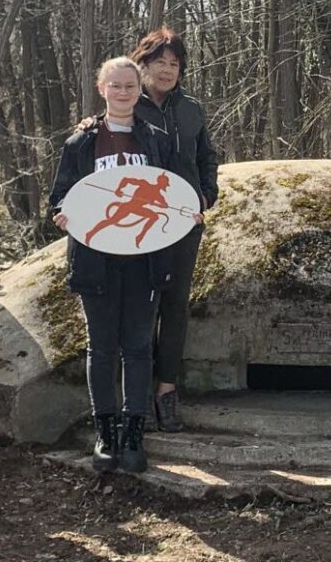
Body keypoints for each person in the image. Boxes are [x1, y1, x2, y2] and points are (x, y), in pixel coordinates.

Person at [49, 57, 197, 474]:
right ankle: (106, 432)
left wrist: (189, 210)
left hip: (143, 261)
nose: (123, 92)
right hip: (96, 261)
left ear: (139, 88)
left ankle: (134, 432)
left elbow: (174, 190)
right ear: (101, 88)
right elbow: (59, 198)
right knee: (101, 347)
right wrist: (63, 214)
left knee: (136, 347)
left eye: (130, 85)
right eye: (115, 85)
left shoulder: (154, 139)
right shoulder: (81, 143)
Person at [129, 27, 219, 432]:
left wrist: (207, 194)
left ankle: (167, 391)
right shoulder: (128, 106)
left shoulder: (191, 109)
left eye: (174, 64)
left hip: (183, 222)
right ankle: (138, 394)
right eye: (159, 62)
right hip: (139, 223)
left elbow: (206, 157)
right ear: (142, 65)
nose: (167, 70)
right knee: (140, 305)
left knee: (175, 305)